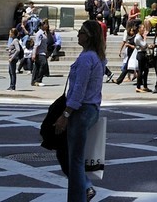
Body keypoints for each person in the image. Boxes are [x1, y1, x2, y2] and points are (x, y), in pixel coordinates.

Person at [55, 19, 106, 202]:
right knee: (70, 156)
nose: (78, 35)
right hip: (91, 110)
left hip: (81, 111)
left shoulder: (86, 58)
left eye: (81, 32)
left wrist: (65, 114)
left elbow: (79, 90)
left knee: (75, 161)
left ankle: (79, 197)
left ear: (89, 36)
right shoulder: (97, 57)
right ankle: (84, 189)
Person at [6, 27, 24, 91]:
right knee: (10, 72)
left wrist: (12, 57)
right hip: (12, 58)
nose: (9, 34)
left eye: (10, 33)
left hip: (13, 58)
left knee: (12, 72)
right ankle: (11, 85)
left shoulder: (15, 40)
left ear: (13, 33)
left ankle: (13, 86)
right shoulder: (14, 40)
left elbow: (18, 50)